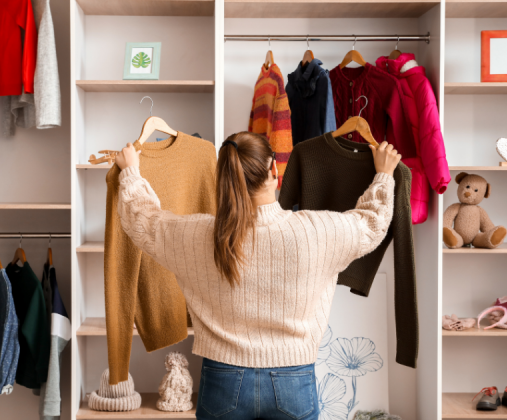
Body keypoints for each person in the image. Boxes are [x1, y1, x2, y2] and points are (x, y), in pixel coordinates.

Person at [114, 132, 401, 420]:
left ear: (223, 178)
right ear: (274, 170)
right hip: (294, 380)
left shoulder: (196, 235)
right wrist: (384, 175)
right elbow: (372, 222)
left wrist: (130, 173)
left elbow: (142, 220)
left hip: (222, 381)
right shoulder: (317, 232)